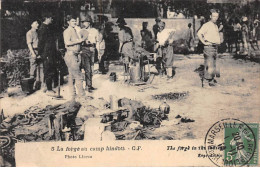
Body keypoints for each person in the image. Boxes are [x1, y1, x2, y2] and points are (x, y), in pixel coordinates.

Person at [63, 15, 86, 100]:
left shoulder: (75, 30)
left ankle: (73, 95)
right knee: (78, 75)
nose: (75, 23)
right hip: (71, 55)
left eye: (75, 21)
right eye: (72, 21)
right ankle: (82, 95)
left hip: (75, 54)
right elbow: (67, 42)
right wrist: (78, 41)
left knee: (72, 76)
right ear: (68, 22)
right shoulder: (67, 31)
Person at [197, 9, 221, 87]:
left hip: (215, 47)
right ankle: (205, 82)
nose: (215, 18)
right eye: (214, 16)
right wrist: (204, 42)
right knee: (209, 65)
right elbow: (199, 33)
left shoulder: (216, 26)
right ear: (210, 16)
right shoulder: (207, 25)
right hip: (209, 47)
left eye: (217, 16)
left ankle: (211, 81)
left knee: (213, 65)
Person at [79, 14, 103, 92]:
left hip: (93, 49)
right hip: (85, 49)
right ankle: (87, 86)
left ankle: (89, 85)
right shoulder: (81, 31)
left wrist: (99, 53)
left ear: (89, 22)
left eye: (85, 22)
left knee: (92, 68)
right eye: (83, 22)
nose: (84, 24)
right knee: (87, 68)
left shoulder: (95, 31)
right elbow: (78, 42)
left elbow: (98, 42)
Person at [38, 13, 57, 96]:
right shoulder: (43, 28)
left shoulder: (47, 27)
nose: (51, 20)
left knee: (49, 69)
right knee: (49, 70)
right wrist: (40, 53)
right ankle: (49, 90)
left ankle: (47, 87)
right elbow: (41, 42)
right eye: (50, 18)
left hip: (50, 52)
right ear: (46, 18)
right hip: (47, 53)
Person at [26, 20, 44, 85]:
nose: (37, 24)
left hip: (39, 51)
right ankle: (31, 86)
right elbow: (29, 44)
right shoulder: (29, 33)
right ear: (31, 24)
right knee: (33, 69)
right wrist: (33, 53)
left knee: (41, 67)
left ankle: (41, 84)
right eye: (36, 23)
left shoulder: (38, 32)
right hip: (33, 51)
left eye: (38, 23)